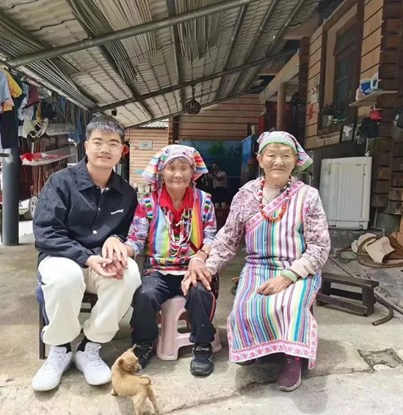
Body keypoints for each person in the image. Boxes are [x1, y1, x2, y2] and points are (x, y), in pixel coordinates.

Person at [199, 131, 330, 391]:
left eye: (286, 155)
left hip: (297, 267)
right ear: (260, 159)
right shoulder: (246, 195)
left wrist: (287, 277)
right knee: (244, 307)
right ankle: (256, 346)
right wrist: (209, 268)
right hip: (258, 266)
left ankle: (293, 358)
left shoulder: (308, 196)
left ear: (295, 161)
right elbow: (228, 238)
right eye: (271, 155)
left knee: (289, 304)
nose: (278, 161)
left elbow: (319, 247)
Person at [31, 115, 141, 392]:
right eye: (98, 142)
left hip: (101, 263)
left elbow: (129, 232)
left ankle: (90, 347)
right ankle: (60, 348)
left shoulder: (127, 193)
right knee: (65, 277)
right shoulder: (60, 183)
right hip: (62, 258)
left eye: (113, 143)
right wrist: (87, 257)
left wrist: (117, 240)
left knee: (129, 273)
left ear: (122, 150)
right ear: (86, 145)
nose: (105, 149)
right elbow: (46, 233)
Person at [112, 144, 218, 376]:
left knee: (200, 292)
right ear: (161, 172)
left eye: (184, 168)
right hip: (158, 270)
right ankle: (143, 343)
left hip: (192, 268)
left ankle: (203, 345)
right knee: (145, 294)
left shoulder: (204, 201)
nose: (178, 174)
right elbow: (136, 239)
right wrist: (120, 251)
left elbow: (212, 237)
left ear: (193, 172)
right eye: (172, 168)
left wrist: (200, 257)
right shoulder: (148, 204)